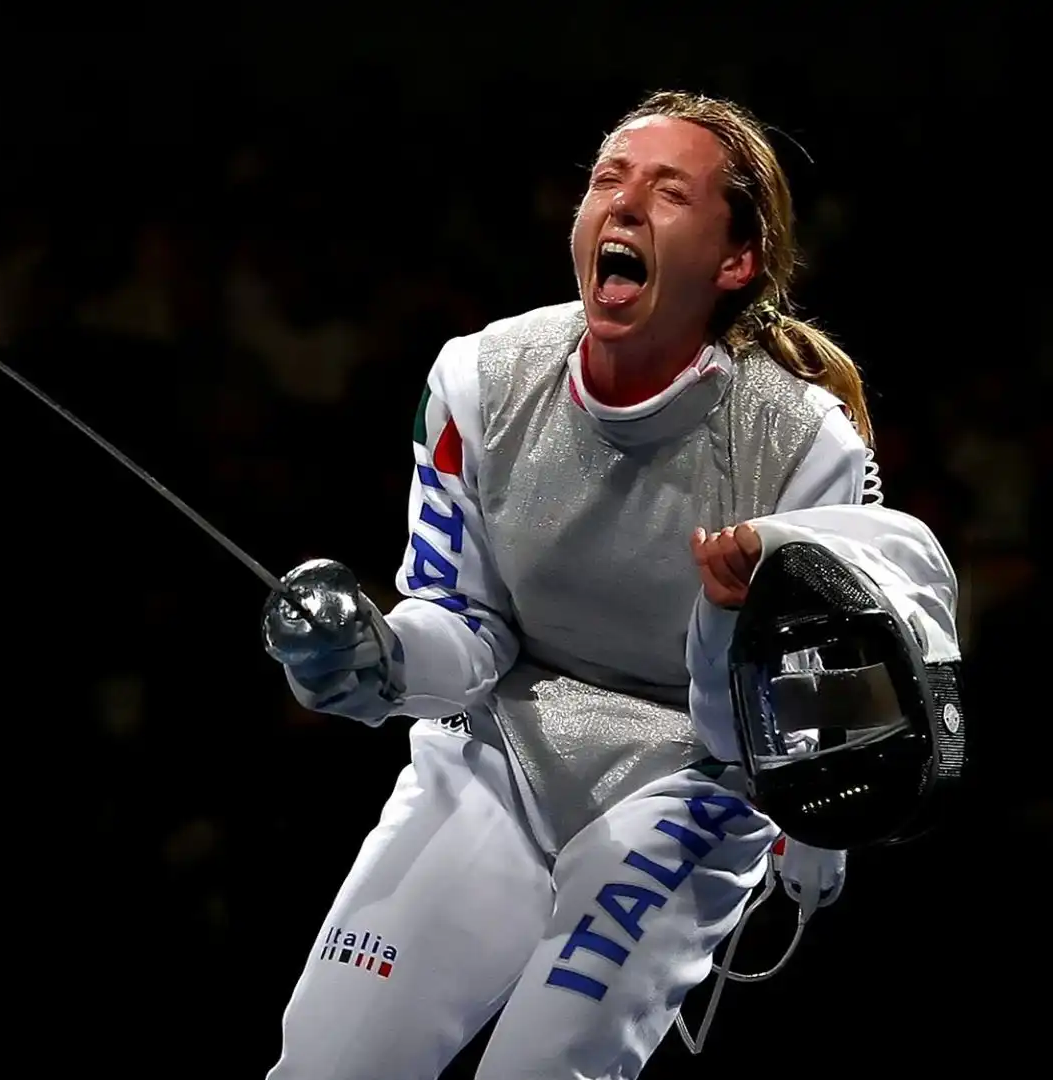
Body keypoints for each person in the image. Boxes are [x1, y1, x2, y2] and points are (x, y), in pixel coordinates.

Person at [260, 90, 882, 1079]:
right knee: (333, 1065)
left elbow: (788, 711)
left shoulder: (804, 447)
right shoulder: (482, 379)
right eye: (609, 180)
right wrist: (378, 659)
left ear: (735, 262)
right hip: (497, 753)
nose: (626, 204)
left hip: (694, 779)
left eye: (669, 192)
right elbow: (463, 624)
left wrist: (736, 641)